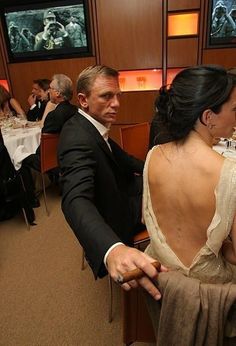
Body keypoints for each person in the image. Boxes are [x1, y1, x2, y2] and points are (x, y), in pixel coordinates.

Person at [58, 65, 166, 300]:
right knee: (176, 200)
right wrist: (112, 248)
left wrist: (161, 169)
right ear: (83, 100)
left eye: (118, 95)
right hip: (115, 214)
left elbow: (126, 161)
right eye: (107, 96)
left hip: (121, 191)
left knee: (167, 185)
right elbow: (75, 200)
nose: (116, 103)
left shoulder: (90, 125)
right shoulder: (77, 138)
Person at [143, 65, 236, 284]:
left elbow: (146, 217)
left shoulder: (153, 155)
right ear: (208, 117)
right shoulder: (229, 173)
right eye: (235, 109)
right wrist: (220, 245)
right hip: (209, 290)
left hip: (162, 275)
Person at [23, 74, 77, 172]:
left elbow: (45, 143)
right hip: (72, 156)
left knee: (20, 156)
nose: (48, 91)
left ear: (57, 93)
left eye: (50, 88)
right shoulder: (76, 110)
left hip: (55, 160)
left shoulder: (54, 115)